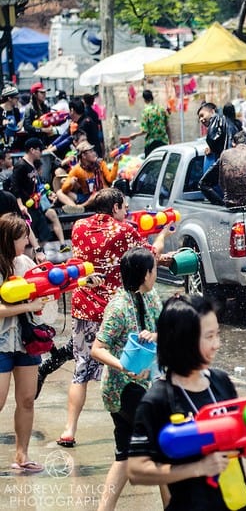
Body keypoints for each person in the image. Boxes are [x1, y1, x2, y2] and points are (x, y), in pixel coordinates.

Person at [127, 294, 246, 509]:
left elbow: (244, 446)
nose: (217, 344)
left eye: (217, 334)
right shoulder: (158, 399)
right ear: (182, 340)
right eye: (209, 337)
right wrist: (199, 468)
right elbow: (136, 471)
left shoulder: (220, 382)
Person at [54, 188, 174, 448]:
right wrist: (164, 233)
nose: (127, 212)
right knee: (130, 367)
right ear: (116, 206)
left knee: (82, 369)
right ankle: (129, 423)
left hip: (84, 304)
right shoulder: (124, 231)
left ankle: (69, 430)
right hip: (116, 310)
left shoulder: (78, 226)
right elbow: (149, 257)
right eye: (124, 207)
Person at [90, 247, 163, 510]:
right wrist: (123, 366)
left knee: (124, 454)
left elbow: (163, 327)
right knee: (161, 447)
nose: (156, 272)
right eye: (154, 269)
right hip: (123, 389)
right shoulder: (119, 307)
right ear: (145, 274)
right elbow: (97, 349)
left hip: (143, 384)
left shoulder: (151, 296)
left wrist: (155, 336)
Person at [0, 214, 47, 473]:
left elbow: (42, 290)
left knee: (27, 399)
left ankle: (22, 455)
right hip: (1, 342)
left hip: (27, 341)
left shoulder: (25, 262)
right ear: (9, 238)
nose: (27, 241)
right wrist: (29, 305)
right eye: (22, 237)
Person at [10, 138, 69, 250]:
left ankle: (37, 256)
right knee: (29, 239)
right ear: (32, 150)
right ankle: (34, 258)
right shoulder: (21, 165)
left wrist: (47, 194)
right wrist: (20, 205)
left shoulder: (32, 165)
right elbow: (15, 186)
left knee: (44, 235)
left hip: (36, 205)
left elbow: (37, 185)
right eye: (39, 150)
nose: (41, 153)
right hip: (27, 207)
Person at [200, 131, 246, 207]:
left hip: (231, 205)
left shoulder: (225, 154)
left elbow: (206, 183)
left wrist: (221, 204)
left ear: (233, 144)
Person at [56, 140, 120, 210]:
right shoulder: (77, 169)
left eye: (93, 151)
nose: (94, 153)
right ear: (83, 155)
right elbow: (64, 190)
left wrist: (116, 163)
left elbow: (110, 178)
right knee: (59, 193)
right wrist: (70, 183)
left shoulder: (100, 163)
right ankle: (75, 208)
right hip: (86, 196)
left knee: (96, 195)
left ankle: (81, 207)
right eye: (91, 152)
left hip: (101, 194)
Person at [129, 89, 171, 156]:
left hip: (151, 143)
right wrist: (170, 142)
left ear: (144, 99)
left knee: (151, 166)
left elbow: (145, 130)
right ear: (152, 98)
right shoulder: (162, 109)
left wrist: (135, 135)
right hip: (163, 142)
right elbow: (167, 127)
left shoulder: (146, 111)